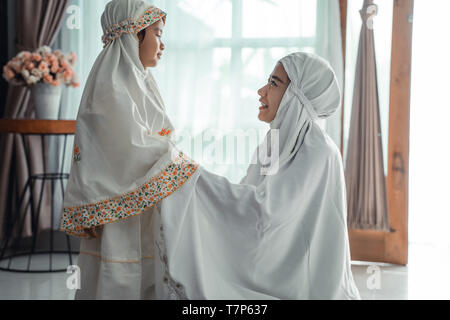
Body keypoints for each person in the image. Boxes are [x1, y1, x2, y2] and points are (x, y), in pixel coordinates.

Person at [154, 52, 362, 300]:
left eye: (274, 84)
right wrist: (190, 177)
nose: (261, 91)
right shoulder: (274, 141)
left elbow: (267, 217)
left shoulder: (318, 151)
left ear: (296, 97)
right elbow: (249, 197)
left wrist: (190, 179)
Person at [59, 0, 199, 299]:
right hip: (117, 209)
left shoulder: (139, 79)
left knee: (144, 270)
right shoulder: (110, 86)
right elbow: (128, 146)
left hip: (140, 202)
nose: (162, 44)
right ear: (134, 35)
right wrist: (176, 161)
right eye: (157, 34)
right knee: (119, 272)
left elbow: (154, 135)